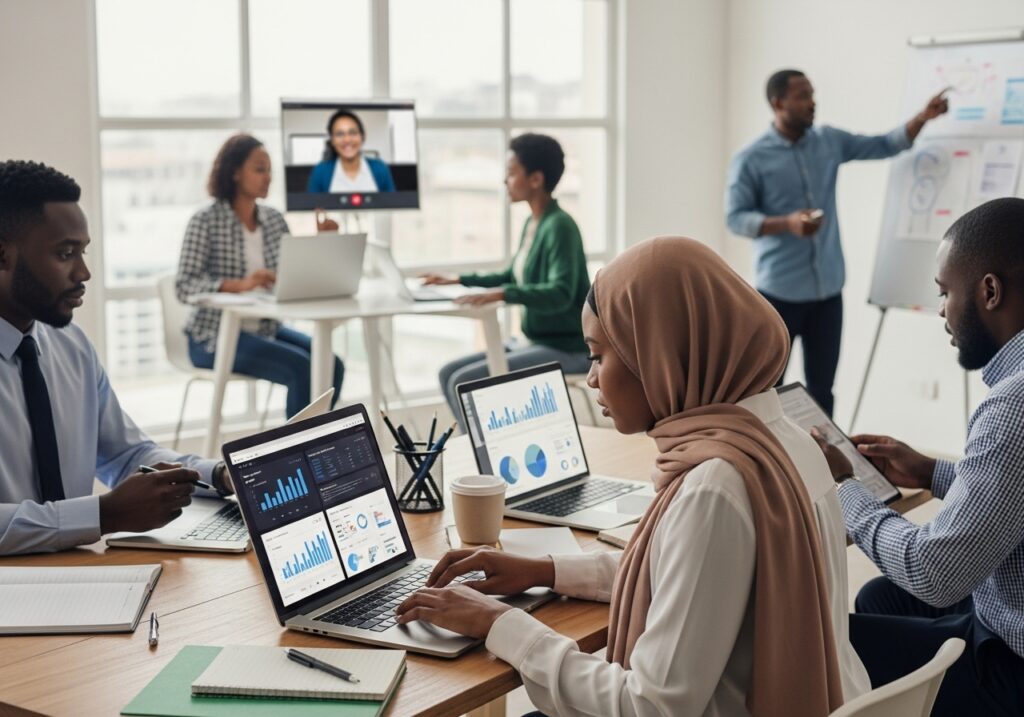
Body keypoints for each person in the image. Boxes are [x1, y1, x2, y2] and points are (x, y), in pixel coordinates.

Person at [398, 237, 871, 716]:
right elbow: (689, 581)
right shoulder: (783, 439)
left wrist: (501, 625)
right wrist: (545, 571)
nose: (591, 378)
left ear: (660, 354)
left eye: (598, 354)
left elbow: (650, 706)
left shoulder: (715, 485)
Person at [813, 198, 1024, 716]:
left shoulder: (1012, 406)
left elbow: (935, 572)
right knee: (880, 597)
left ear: (989, 291)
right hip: (1006, 613)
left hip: (1010, 666)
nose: (941, 311)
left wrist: (847, 490)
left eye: (944, 292)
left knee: (825, 645)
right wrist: (931, 472)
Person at [0, 160, 235, 556]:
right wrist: (103, 515)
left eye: (84, 251)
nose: (84, 272)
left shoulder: (70, 346)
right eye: (65, 253)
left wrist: (219, 475)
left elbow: (126, 455)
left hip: (82, 579)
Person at [726, 69, 949, 416]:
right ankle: (773, 465)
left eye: (812, 93)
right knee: (768, 391)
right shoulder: (751, 158)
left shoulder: (828, 141)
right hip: (778, 296)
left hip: (828, 294)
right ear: (778, 103)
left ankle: (824, 464)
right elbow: (735, 218)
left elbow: (885, 144)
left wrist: (923, 117)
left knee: (822, 391)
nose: (812, 101)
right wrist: (786, 223)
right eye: (803, 95)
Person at [423, 133, 591, 426]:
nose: (505, 181)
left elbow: (560, 292)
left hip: (567, 348)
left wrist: (502, 294)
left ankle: (483, 456)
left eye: (511, 173)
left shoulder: (560, 226)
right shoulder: (533, 223)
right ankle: (479, 449)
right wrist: (457, 279)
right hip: (533, 341)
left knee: (464, 382)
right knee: (447, 373)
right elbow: (511, 275)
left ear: (536, 179)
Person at [176, 133, 344, 419]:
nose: (268, 177)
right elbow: (184, 285)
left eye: (270, 170)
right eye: (259, 169)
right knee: (301, 368)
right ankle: (293, 455)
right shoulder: (204, 220)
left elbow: (294, 275)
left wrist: (322, 242)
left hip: (265, 327)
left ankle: (316, 444)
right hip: (213, 336)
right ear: (235, 172)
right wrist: (240, 285)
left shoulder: (274, 220)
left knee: (332, 365)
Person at [306, 108, 396, 193]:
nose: (347, 140)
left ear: (362, 136)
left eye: (352, 133)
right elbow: (310, 206)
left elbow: (393, 205)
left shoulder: (380, 168)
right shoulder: (321, 171)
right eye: (339, 134)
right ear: (332, 140)